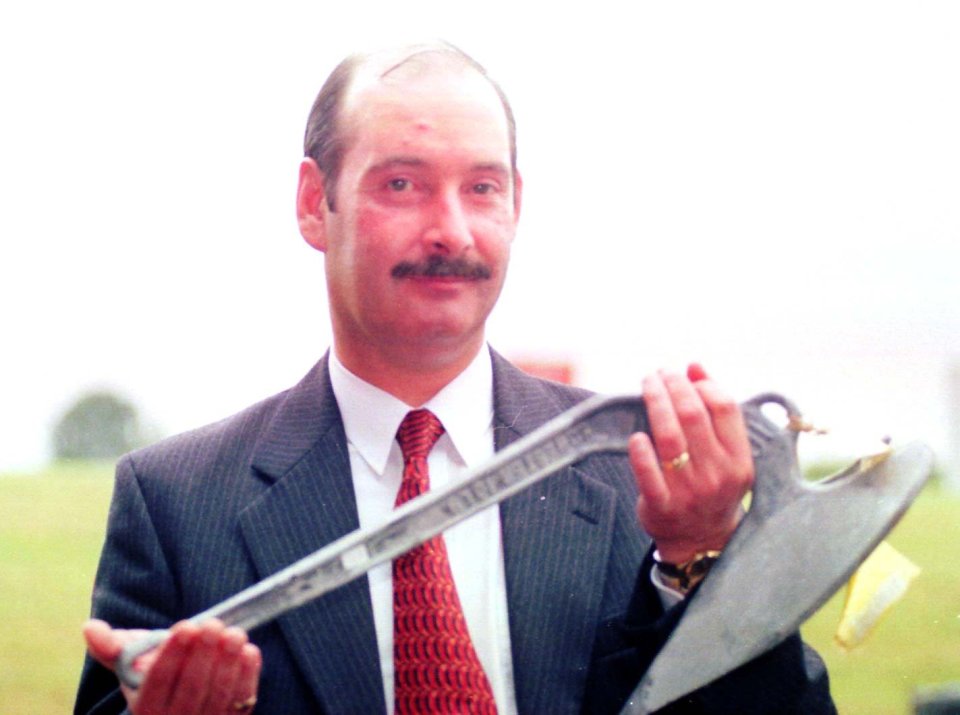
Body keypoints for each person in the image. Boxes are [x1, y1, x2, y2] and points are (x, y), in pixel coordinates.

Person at [76, 42, 835, 714]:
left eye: (481, 187)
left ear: (516, 203)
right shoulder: (176, 504)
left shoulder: (638, 480)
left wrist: (705, 559)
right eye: (402, 185)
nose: (451, 230)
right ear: (315, 204)